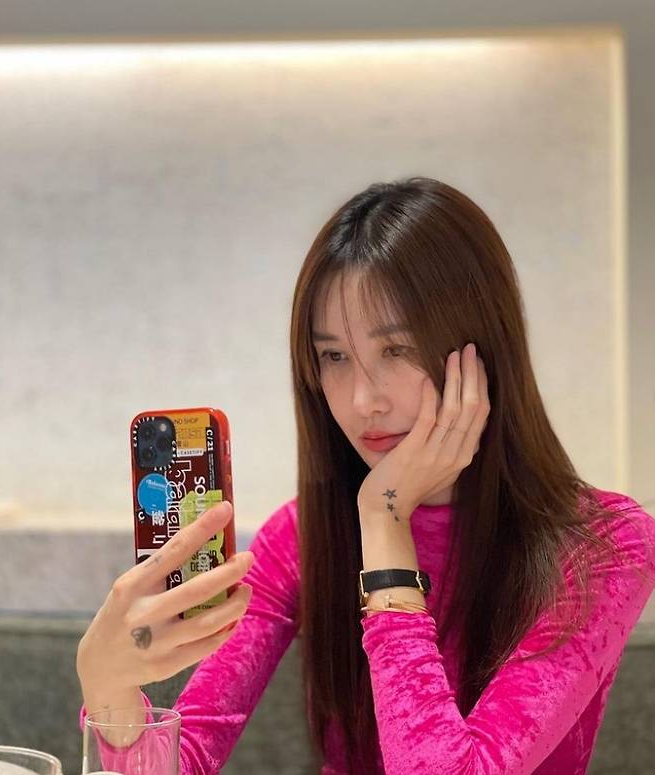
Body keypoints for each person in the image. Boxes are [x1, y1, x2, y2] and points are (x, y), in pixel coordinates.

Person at [77, 177, 655, 774]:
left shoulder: (606, 544)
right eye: (334, 356)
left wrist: (384, 521)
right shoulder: (302, 535)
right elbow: (180, 763)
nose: (362, 401)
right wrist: (105, 682)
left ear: (483, 349)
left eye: (396, 350)